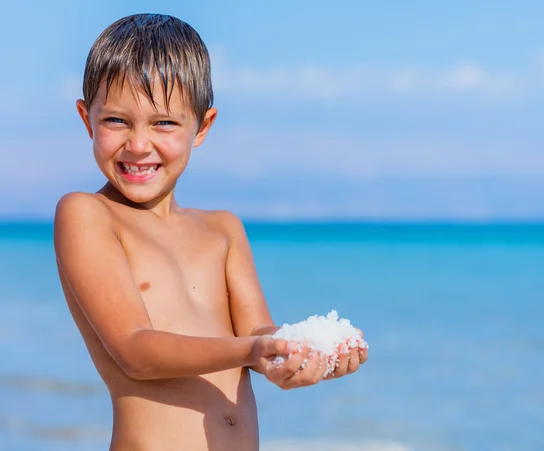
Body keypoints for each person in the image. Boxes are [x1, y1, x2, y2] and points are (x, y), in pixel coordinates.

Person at [53, 13, 367, 451]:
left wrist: (300, 352)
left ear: (202, 126)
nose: (139, 144)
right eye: (117, 121)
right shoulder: (87, 215)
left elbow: (258, 331)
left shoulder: (224, 230)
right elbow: (135, 351)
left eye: (163, 123)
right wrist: (251, 351)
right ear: (87, 119)